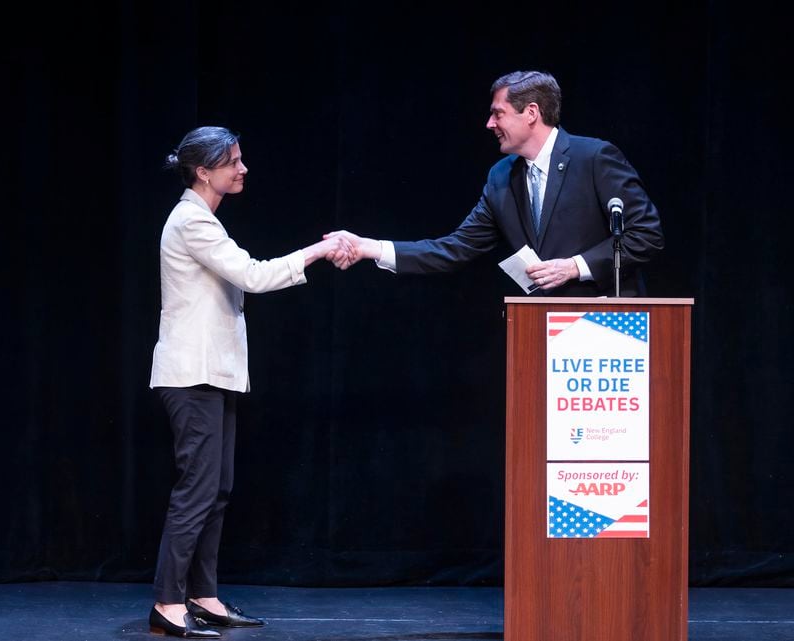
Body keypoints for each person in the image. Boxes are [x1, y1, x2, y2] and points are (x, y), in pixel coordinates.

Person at [148, 126, 352, 638]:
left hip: (213, 373)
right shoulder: (192, 221)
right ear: (204, 171)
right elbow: (255, 276)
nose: (242, 168)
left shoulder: (203, 220)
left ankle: (204, 594)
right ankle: (168, 602)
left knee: (217, 489)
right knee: (196, 490)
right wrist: (319, 252)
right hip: (190, 374)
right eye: (233, 161)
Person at [327, 70, 664, 296]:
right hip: (543, 332)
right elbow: (454, 249)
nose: (489, 124)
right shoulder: (502, 177)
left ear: (531, 113)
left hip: (609, 329)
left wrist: (573, 267)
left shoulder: (594, 158)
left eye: (498, 113)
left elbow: (645, 234)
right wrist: (368, 247)